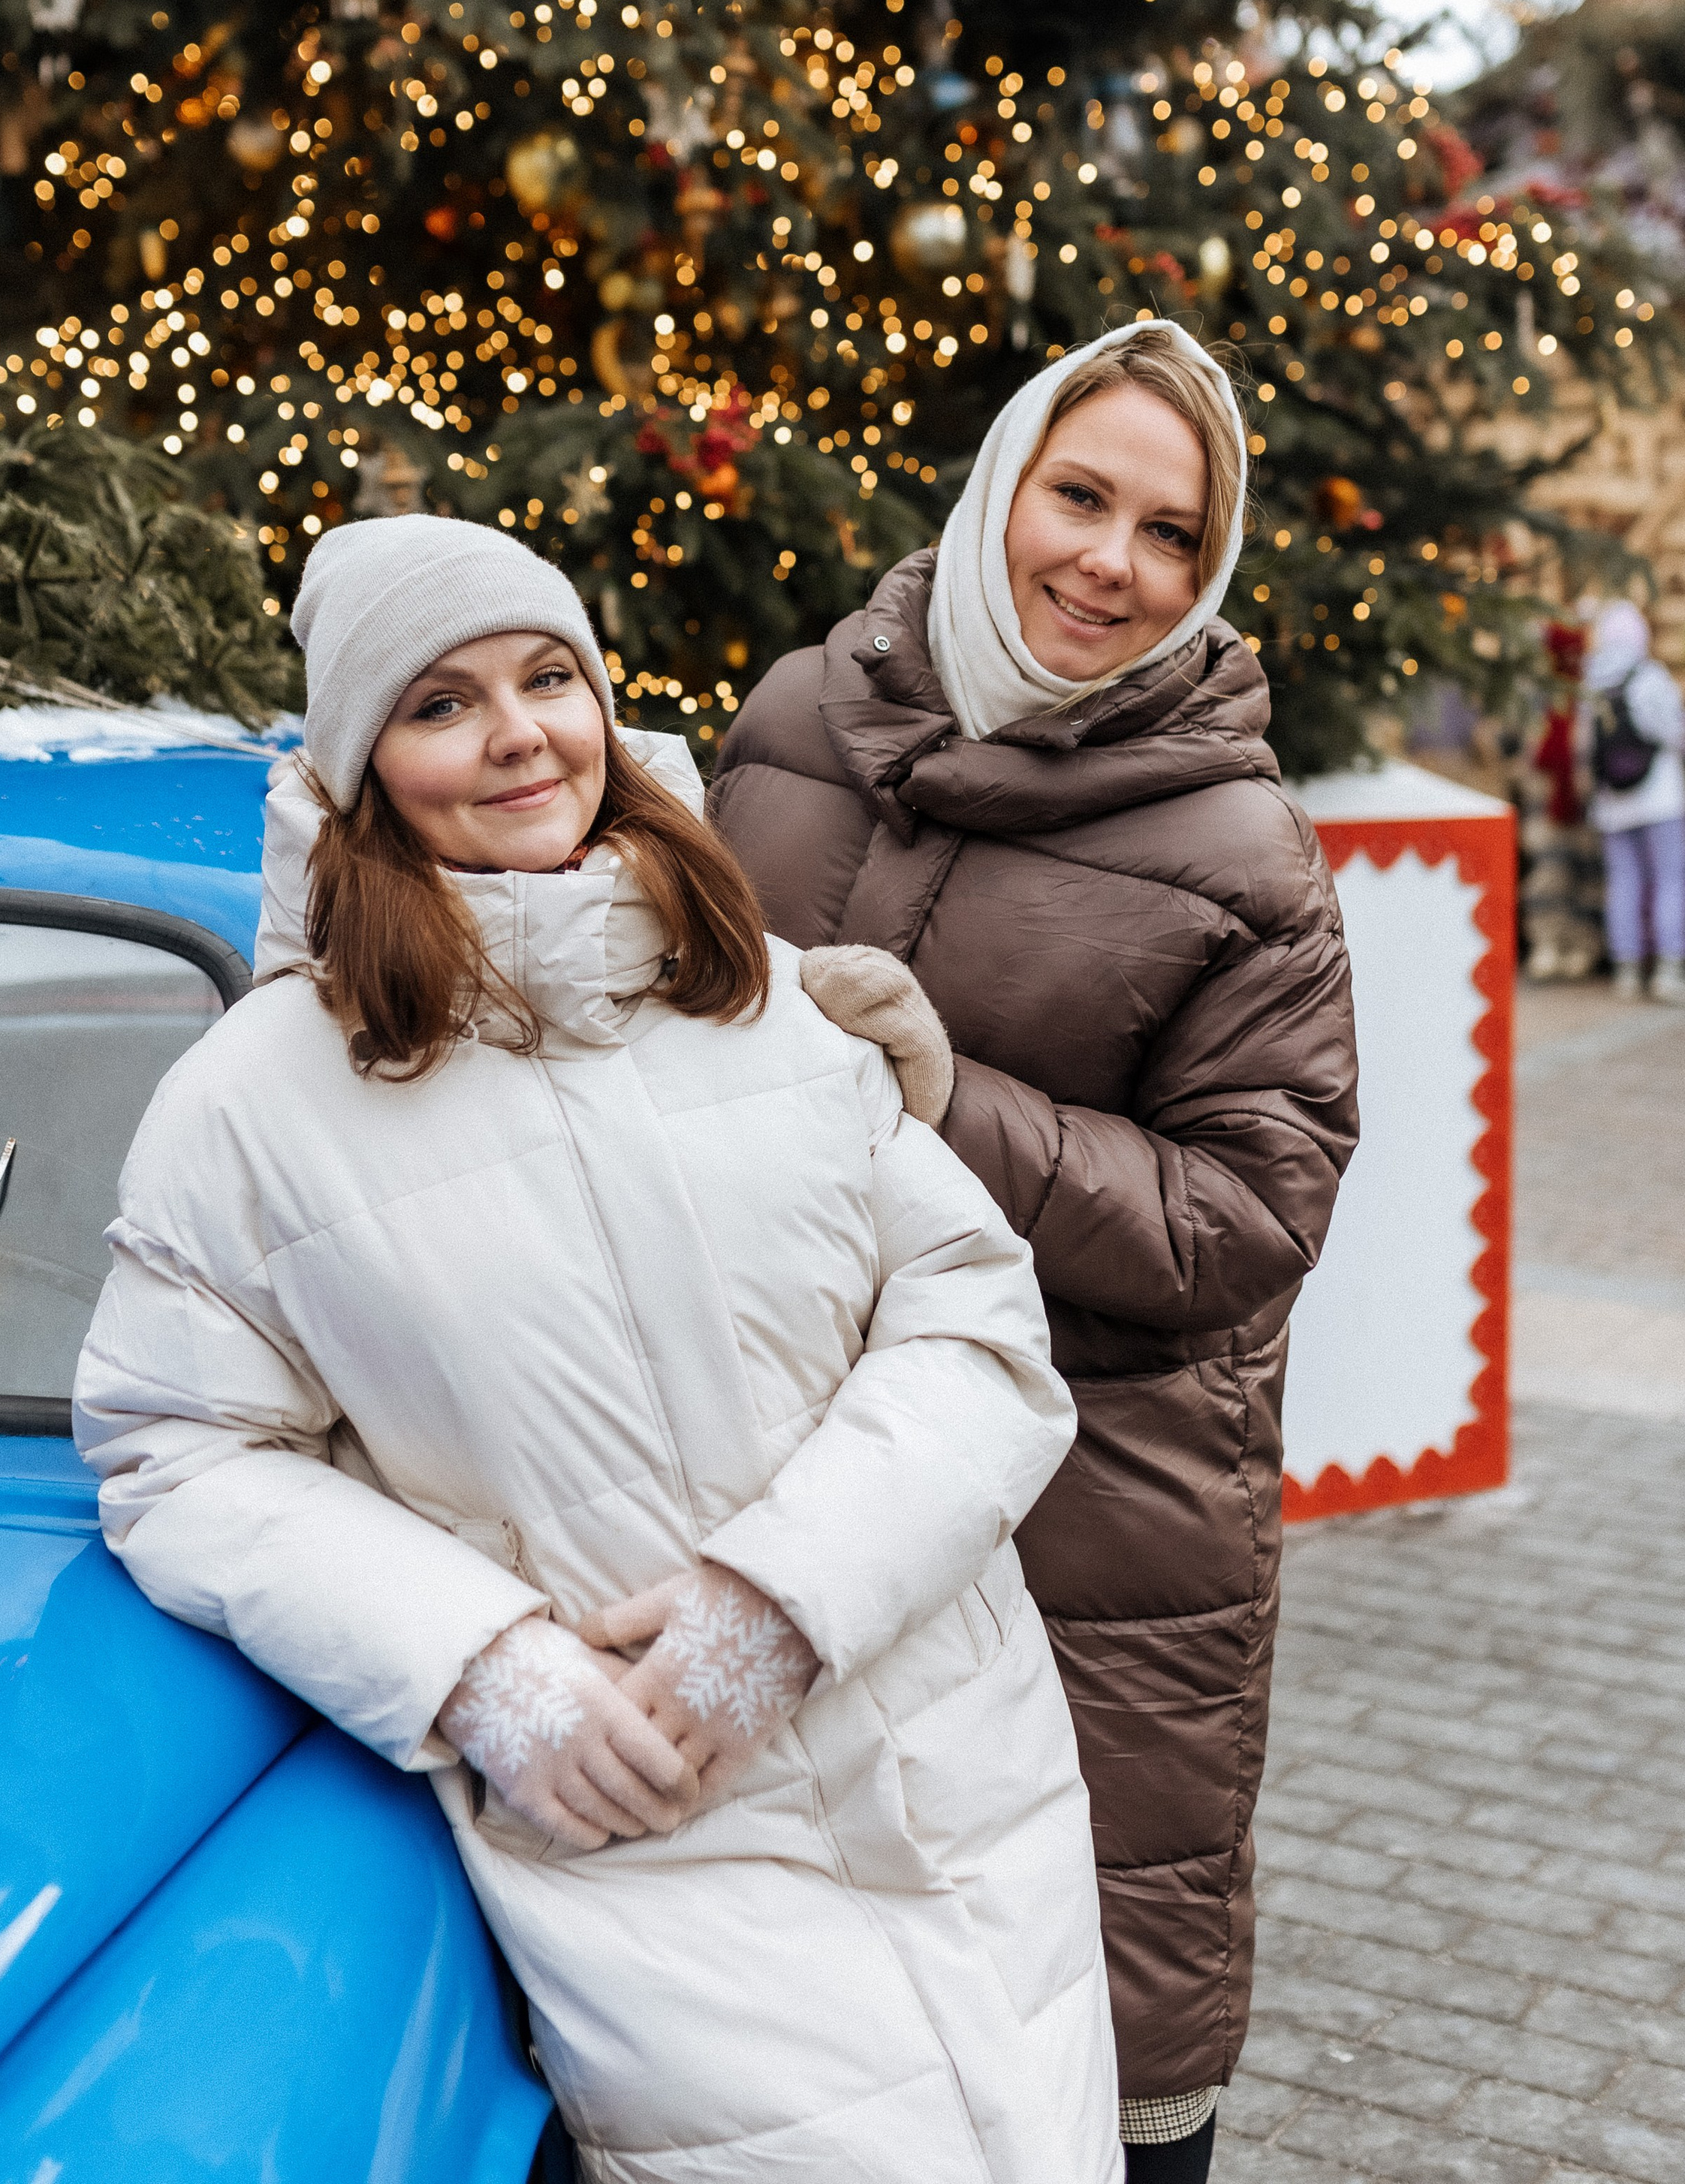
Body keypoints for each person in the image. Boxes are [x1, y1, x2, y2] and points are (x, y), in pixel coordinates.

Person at [74, 517, 1124, 2184]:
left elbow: (976, 1321)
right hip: (654, 1845)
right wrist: (480, 1668)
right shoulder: (255, 1102)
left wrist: (779, 1605)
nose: (518, 735)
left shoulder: (762, 998)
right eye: (440, 704)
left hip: (963, 1775)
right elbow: (176, 1452)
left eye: (548, 678)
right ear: (359, 768)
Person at [709, 322, 1360, 2184]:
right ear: (1001, 482)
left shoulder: (1242, 851)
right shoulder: (791, 723)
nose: (1108, 561)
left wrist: (945, 1100)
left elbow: (1248, 1220)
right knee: (788, 2052)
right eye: (1078, 495)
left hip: (1088, 1526)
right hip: (775, 1473)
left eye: (1169, 534)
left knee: (1079, 2059)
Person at [1581, 596, 1685, 1005]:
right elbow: (1672, 733)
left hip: (1612, 801)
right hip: (1659, 797)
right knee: (1669, 880)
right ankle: (1667, 968)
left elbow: (1585, 746)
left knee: (1623, 882)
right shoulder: (1651, 677)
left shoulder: (1591, 681)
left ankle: (1626, 970)